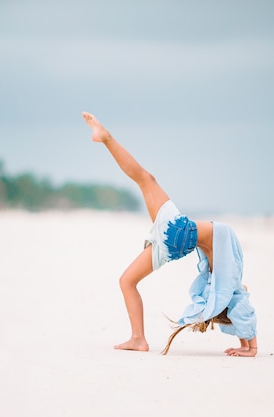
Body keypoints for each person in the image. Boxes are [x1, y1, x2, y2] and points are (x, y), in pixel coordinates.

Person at [82, 112, 258, 357]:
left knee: (145, 178)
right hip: (175, 241)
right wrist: (247, 345)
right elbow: (238, 297)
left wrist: (252, 347)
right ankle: (138, 339)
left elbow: (239, 298)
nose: (240, 289)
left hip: (178, 233)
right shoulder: (227, 276)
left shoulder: (228, 264)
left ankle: (106, 137)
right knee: (127, 281)